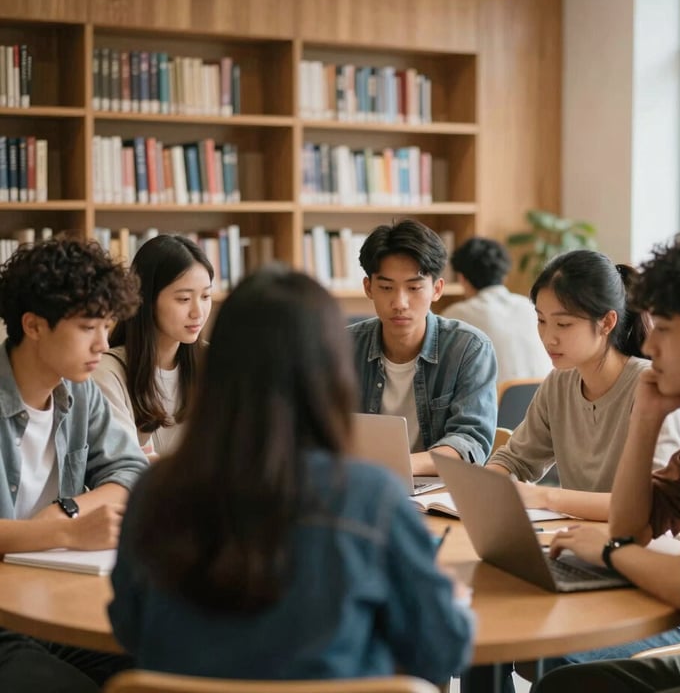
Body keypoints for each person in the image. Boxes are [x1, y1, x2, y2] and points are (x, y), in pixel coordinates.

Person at [109, 266, 474, 685]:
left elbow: (130, 629)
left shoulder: (155, 491)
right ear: (332, 372)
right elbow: (441, 650)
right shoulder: (371, 498)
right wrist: (444, 595)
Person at [534, 233, 680, 693]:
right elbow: (630, 528)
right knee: (563, 688)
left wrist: (608, 553)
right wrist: (644, 420)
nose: (649, 343)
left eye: (662, 327)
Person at [485, 249, 680, 672]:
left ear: (607, 322)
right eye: (541, 321)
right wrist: (491, 483)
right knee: (480, 623)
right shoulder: (560, 383)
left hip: (651, 585)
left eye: (563, 324)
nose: (548, 337)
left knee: (540, 653)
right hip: (587, 562)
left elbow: (654, 508)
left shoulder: (649, 388)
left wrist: (544, 497)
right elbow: (515, 458)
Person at [0, 237, 149, 693]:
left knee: (162, 666)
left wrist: (66, 510)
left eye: (107, 326)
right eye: (89, 327)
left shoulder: (78, 390)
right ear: (34, 325)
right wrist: (63, 532)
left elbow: (130, 469)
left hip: (45, 591)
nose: (103, 345)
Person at [348, 220, 497, 475]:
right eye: (386, 287)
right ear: (368, 288)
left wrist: (396, 466)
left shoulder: (468, 348)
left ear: (437, 289)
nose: (400, 303)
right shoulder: (344, 348)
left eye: (414, 288)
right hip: (358, 488)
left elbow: (470, 443)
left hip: (435, 495)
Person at [93, 234, 213, 458]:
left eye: (206, 296)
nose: (198, 312)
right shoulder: (107, 372)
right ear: (146, 299)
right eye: (184, 299)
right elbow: (125, 469)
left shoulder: (214, 360)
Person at [442, 236, 551, 382]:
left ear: (461, 278)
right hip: (545, 397)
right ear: (504, 275)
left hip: (498, 403)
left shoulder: (456, 315)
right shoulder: (530, 306)